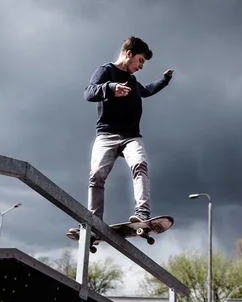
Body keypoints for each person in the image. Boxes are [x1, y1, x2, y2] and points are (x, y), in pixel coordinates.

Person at [69, 37, 173, 237]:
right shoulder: (105, 71)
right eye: (140, 61)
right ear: (129, 54)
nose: (141, 66)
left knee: (140, 164)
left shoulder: (133, 81)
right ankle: (94, 222)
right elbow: (88, 93)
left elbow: (146, 91)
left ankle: (142, 213)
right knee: (96, 176)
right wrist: (110, 88)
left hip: (131, 136)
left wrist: (164, 81)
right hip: (106, 135)